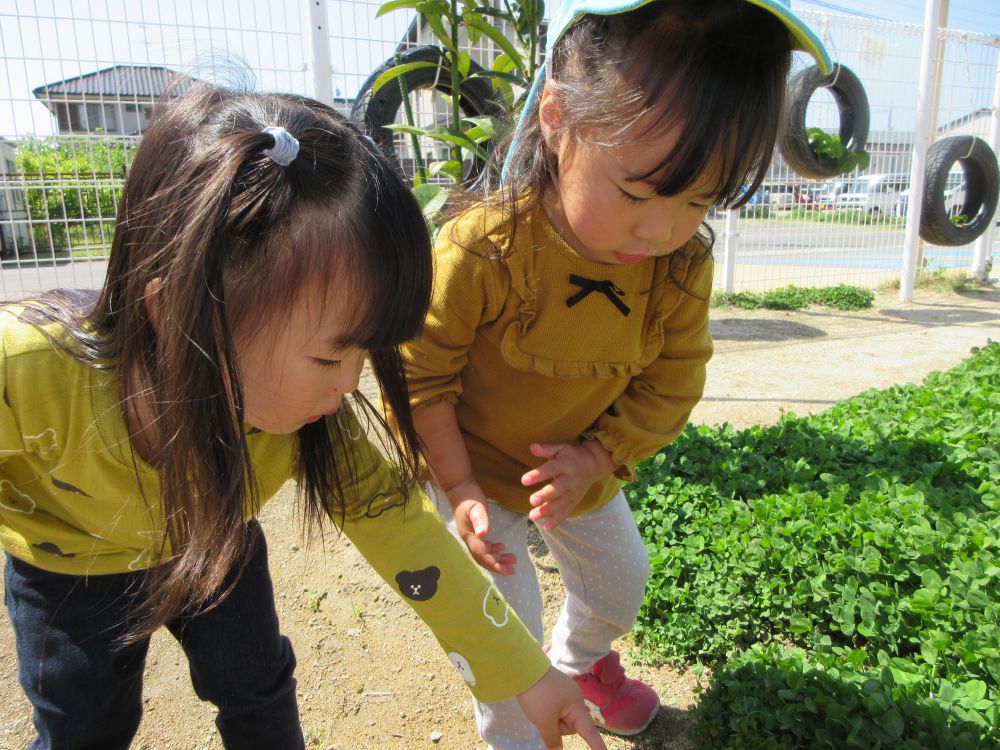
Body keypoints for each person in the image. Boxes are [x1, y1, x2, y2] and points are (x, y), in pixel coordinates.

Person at [0, 84, 607, 750]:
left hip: (214, 540)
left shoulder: (309, 425)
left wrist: (527, 673)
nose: (351, 385)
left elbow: (408, 536)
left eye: (365, 353)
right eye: (330, 357)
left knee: (258, 691)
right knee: (86, 726)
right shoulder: (26, 375)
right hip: (69, 567)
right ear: (178, 312)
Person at [399, 1, 833, 747]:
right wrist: (461, 488)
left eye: (700, 200)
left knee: (619, 582)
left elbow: (673, 380)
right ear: (559, 119)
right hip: (467, 465)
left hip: (579, 465)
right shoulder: (485, 250)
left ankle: (579, 666)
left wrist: (595, 459)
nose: (661, 229)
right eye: (639, 192)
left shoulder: (679, 267)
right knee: (505, 631)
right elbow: (420, 376)